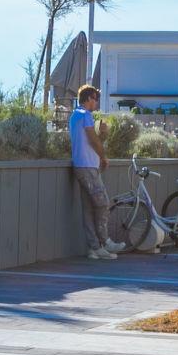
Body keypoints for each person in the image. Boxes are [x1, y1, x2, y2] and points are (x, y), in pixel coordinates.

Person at [70, 84, 120, 260]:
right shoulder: (86, 115)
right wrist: (104, 158)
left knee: (88, 208)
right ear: (89, 98)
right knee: (103, 203)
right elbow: (92, 139)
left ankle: (94, 248)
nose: (97, 102)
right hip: (87, 167)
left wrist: (102, 135)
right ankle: (105, 242)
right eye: (95, 99)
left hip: (82, 165)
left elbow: (90, 139)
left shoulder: (75, 115)